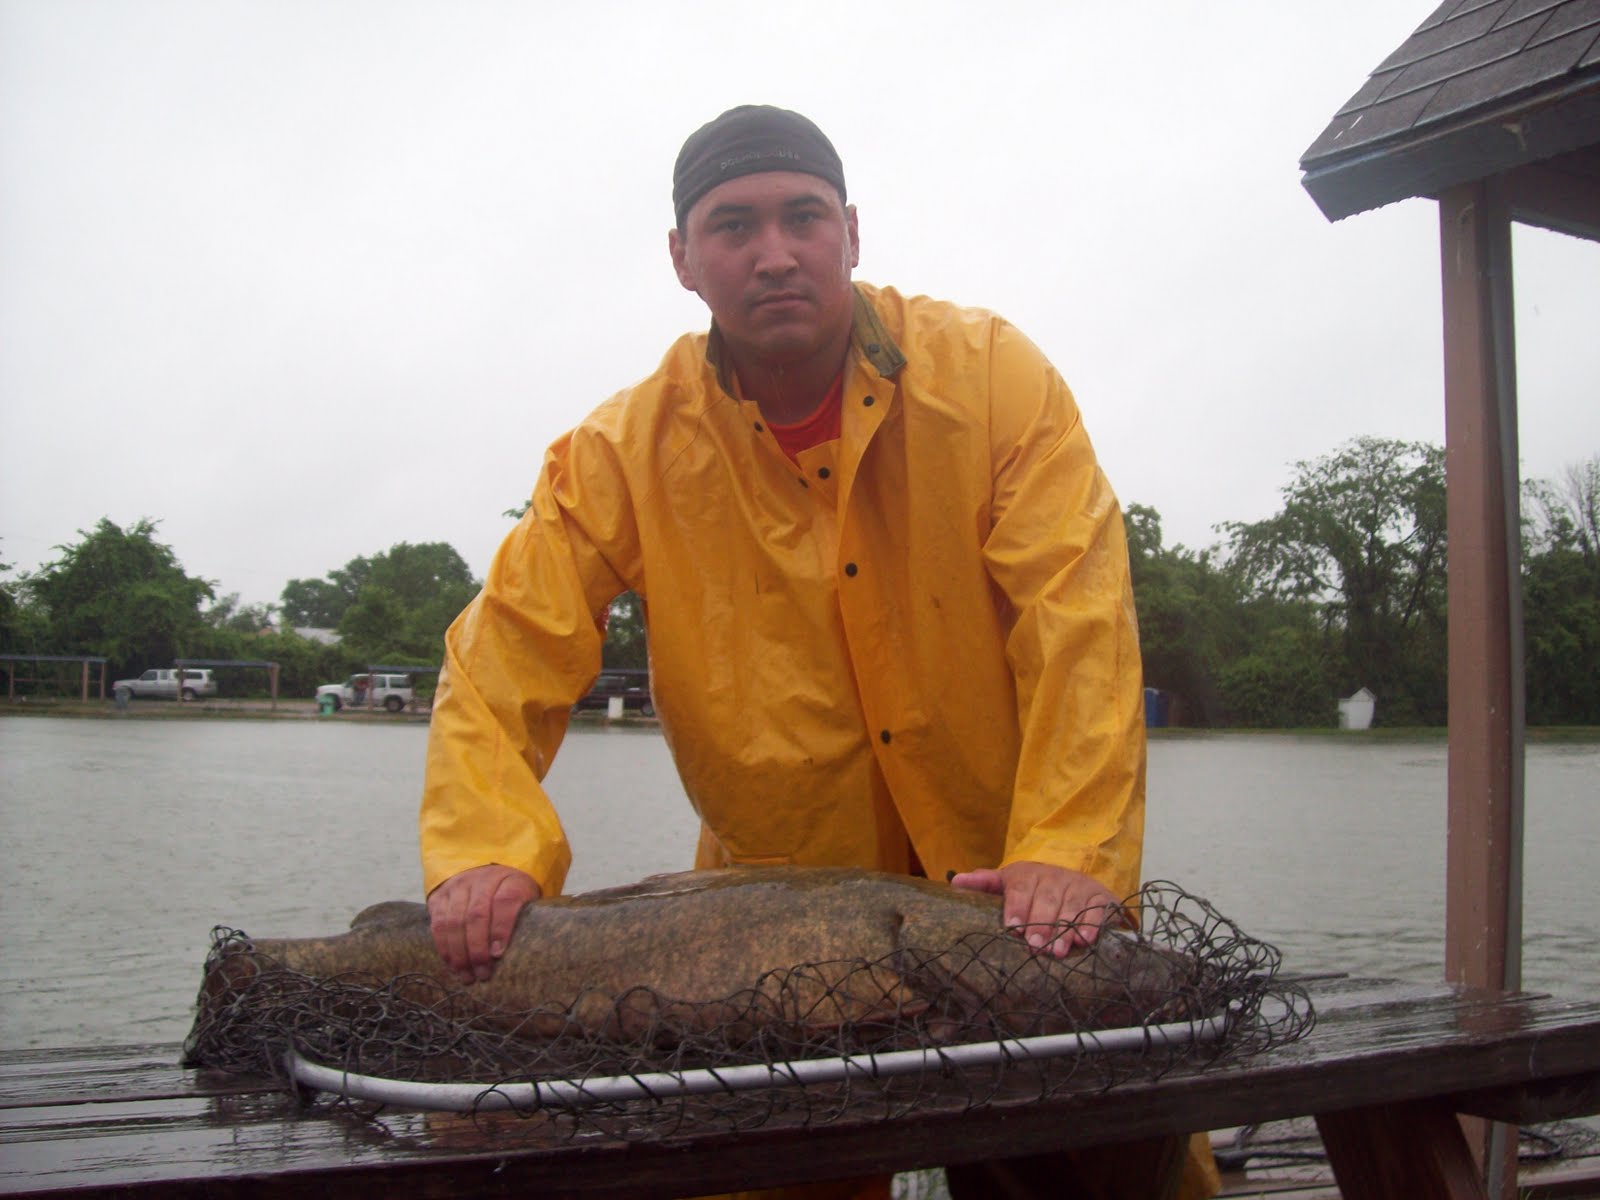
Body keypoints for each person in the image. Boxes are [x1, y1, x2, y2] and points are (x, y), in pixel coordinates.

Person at [419, 105, 1217, 1200]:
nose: (775, 253)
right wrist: (483, 847)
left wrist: (1072, 848)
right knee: (767, 1171)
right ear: (682, 258)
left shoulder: (991, 375)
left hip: (1016, 893)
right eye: (733, 226)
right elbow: (504, 650)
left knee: (1095, 1165)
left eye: (803, 217)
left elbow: (1078, 617)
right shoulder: (620, 450)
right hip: (768, 921)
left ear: (851, 232)